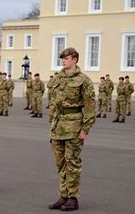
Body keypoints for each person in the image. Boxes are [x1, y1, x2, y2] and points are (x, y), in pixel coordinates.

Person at [48, 47, 95, 211]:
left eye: (66, 58)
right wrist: (51, 124)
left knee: (72, 162)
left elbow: (90, 107)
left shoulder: (84, 80)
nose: (63, 61)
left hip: (74, 126)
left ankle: (73, 198)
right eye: (62, 59)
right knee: (60, 164)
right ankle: (63, 195)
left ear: (75, 59)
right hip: (57, 127)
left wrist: (85, 129)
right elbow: (52, 103)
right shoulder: (57, 79)